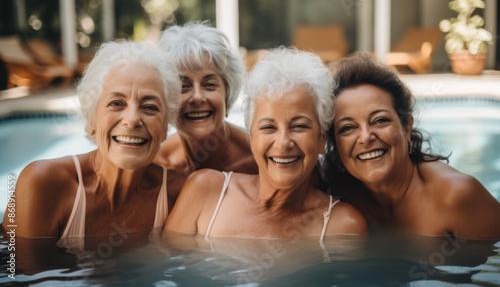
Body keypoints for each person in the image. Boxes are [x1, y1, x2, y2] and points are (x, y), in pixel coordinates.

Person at [163, 47, 367, 240]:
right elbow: (169, 268)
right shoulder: (204, 191)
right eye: (269, 127)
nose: (283, 142)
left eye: (299, 126)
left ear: (322, 139)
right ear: (252, 138)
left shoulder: (342, 226)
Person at [2, 40, 184, 246]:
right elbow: (18, 273)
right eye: (116, 103)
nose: (132, 119)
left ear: (164, 128)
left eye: (150, 107)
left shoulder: (178, 196)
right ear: (91, 121)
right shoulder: (43, 186)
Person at [324, 52, 500, 239]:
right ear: (335, 143)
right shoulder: (338, 196)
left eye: (379, 120)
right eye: (348, 128)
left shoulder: (456, 196)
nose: (366, 137)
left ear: (406, 127)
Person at [154, 21, 258, 176]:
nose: (197, 97)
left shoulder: (258, 157)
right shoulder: (159, 164)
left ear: (227, 96)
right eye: (184, 86)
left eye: (209, 84)